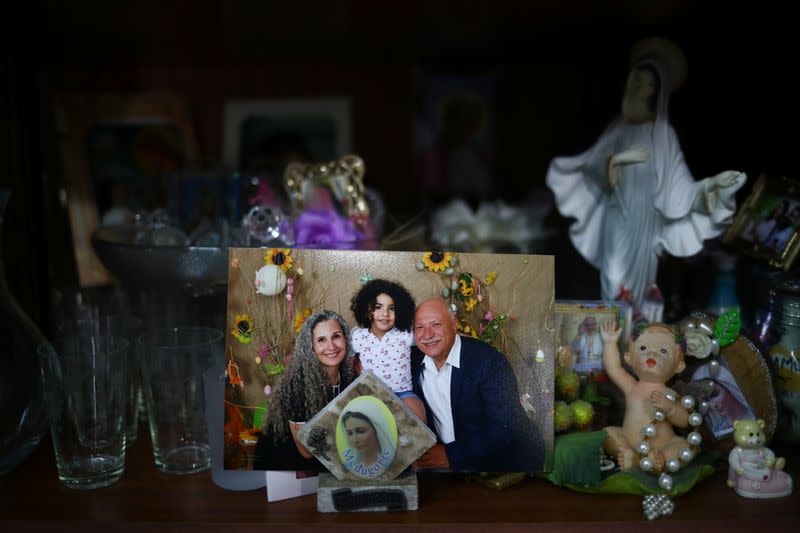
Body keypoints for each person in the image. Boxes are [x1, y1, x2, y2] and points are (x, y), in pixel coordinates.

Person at [546, 37, 746, 322]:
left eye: (648, 83)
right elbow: (597, 169)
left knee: (641, 291)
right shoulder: (619, 128)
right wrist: (619, 160)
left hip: (647, 221)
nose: (640, 86)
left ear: (657, 90)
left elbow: (680, 189)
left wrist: (711, 187)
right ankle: (611, 345)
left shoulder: (663, 134)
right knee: (613, 277)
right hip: (618, 216)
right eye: (636, 79)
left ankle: (637, 346)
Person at [410, 297, 544, 472]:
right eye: (420, 327)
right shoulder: (411, 361)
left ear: (454, 323)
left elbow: (506, 426)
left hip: (505, 462)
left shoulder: (490, 361)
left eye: (436, 324)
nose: (427, 335)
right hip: (452, 467)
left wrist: (451, 455)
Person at [253, 310, 356, 471]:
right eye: (321, 340)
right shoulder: (297, 386)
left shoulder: (349, 375)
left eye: (336, 336)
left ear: (345, 339)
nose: (331, 346)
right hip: (286, 465)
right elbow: (307, 451)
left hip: (327, 455)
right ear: (311, 347)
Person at [600, 321, 690, 471]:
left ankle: (659, 459)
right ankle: (630, 455)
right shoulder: (631, 387)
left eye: (663, 351)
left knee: (684, 446)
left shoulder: (670, 394)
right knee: (607, 433)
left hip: (662, 446)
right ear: (629, 359)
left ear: (678, 366)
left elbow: (684, 421)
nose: (651, 353)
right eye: (643, 348)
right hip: (630, 441)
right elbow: (614, 368)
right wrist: (610, 342)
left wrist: (670, 408)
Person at [349, 279, 427, 422]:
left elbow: (430, 337)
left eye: (392, 308)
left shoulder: (406, 334)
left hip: (403, 392)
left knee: (418, 417)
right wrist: (354, 368)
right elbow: (344, 357)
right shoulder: (358, 336)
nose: (385, 313)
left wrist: (457, 336)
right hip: (371, 394)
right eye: (378, 307)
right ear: (367, 311)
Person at [338, 397, 398, 479]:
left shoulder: (393, 464)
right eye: (350, 433)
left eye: (360, 431)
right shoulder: (349, 469)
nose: (355, 440)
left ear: (377, 430)